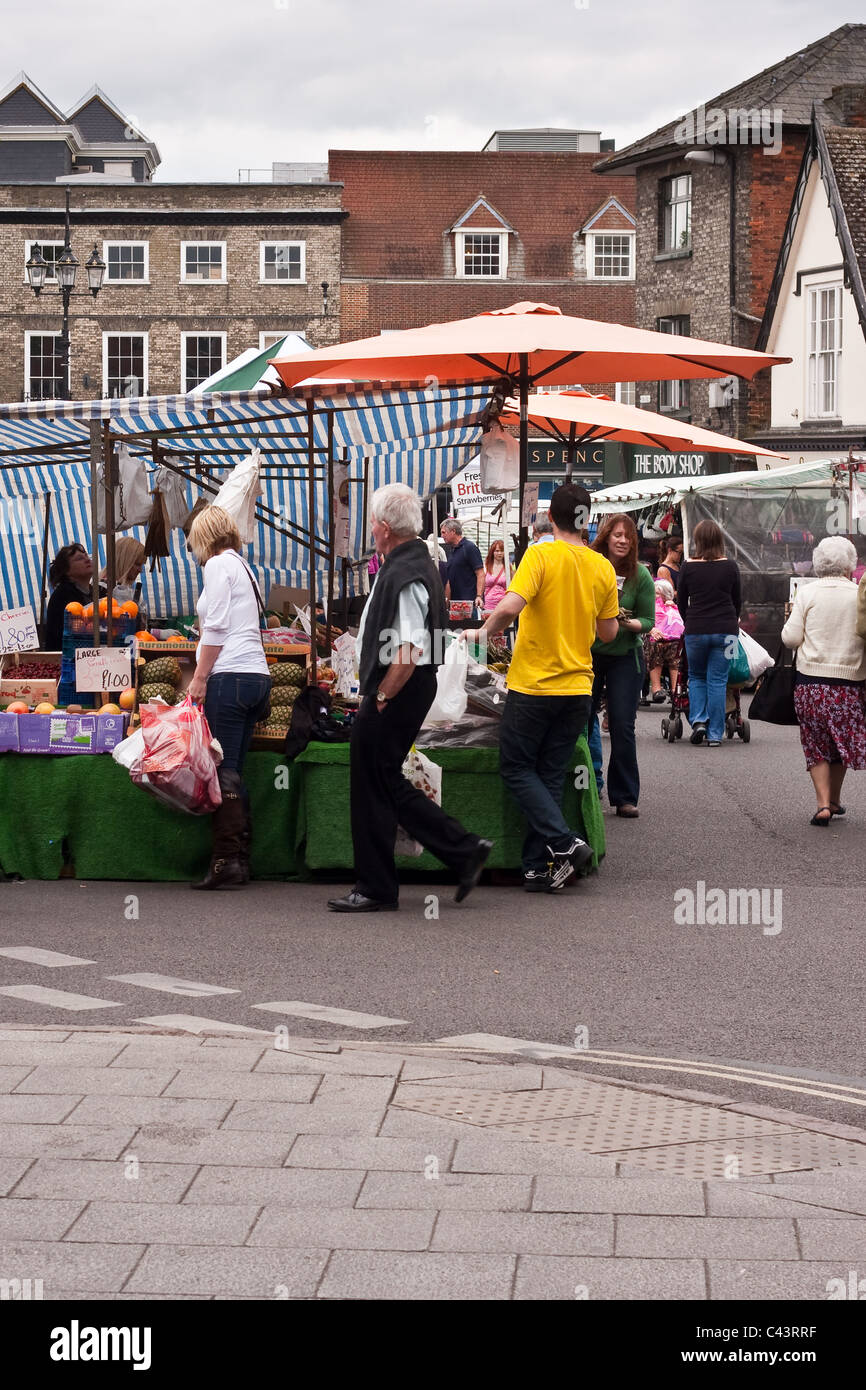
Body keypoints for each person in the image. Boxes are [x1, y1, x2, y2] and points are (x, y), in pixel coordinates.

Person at [328, 484, 491, 912]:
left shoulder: (405, 572)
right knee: (382, 780)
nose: (371, 530)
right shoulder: (412, 562)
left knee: (371, 781)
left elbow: (410, 649)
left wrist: (382, 694)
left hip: (399, 688)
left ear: (383, 528)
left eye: (373, 523)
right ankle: (461, 850)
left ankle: (378, 886)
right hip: (405, 687)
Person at [471, 483, 619, 892]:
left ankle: (565, 843)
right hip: (577, 689)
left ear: (550, 517)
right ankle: (536, 868)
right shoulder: (603, 567)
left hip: (535, 685)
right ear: (586, 519)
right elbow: (608, 633)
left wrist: (481, 634)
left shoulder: (539, 554)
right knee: (549, 774)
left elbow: (510, 606)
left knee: (516, 767)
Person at [186, 505, 272, 890]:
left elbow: (218, 628)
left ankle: (225, 862)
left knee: (224, 772)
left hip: (231, 676)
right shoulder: (243, 566)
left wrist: (199, 678)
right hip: (255, 677)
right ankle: (238, 859)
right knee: (234, 769)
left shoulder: (218, 565)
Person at [782, 537, 866, 826]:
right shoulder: (858, 594)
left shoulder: (807, 593)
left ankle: (822, 805)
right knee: (840, 743)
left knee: (816, 743)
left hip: (811, 683)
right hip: (849, 683)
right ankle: (835, 799)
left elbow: (791, 638)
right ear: (850, 564)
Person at [591, 514, 655, 817]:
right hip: (588, 654)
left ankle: (625, 797)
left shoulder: (640, 575)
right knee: (578, 721)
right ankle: (584, 787)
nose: (623, 540)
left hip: (625, 656)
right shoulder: (589, 567)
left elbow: (649, 621)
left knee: (621, 726)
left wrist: (625, 621)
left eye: (628, 537)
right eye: (617, 535)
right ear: (606, 536)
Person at [676, 519, 741, 748]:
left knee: (696, 677)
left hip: (696, 629)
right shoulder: (731, 567)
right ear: (719, 540)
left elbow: (681, 601)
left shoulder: (687, 566)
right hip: (727, 630)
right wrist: (732, 622)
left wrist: (690, 621)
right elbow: (737, 601)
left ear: (698, 541)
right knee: (718, 680)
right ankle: (715, 734)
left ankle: (699, 721)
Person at [45, 543, 94, 649]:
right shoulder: (62, 595)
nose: (87, 560)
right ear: (66, 570)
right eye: (79, 559)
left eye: (86, 556)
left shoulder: (95, 592)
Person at [644, 578, 684, 702]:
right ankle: (656, 688)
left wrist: (672, 608)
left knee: (677, 648)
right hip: (653, 640)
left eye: (657, 593)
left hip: (672, 641)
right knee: (655, 644)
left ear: (666, 595)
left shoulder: (673, 607)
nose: (654, 596)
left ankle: (675, 690)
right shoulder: (648, 606)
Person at [440, 518, 485, 610]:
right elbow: (450, 580)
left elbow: (480, 573)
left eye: (444, 532)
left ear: (453, 531)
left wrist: (479, 596)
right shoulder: (453, 550)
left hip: (469, 604)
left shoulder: (469, 547)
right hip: (455, 605)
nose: (442, 536)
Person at [99, 538, 146, 606]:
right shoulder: (102, 589)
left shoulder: (124, 590)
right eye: (137, 564)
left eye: (141, 565)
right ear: (125, 562)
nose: (140, 570)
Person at [482, 541, 508, 615]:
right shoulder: (485, 566)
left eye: (502, 551)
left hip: (504, 606)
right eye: (497, 551)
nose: (500, 553)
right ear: (492, 552)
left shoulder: (508, 568)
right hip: (488, 606)